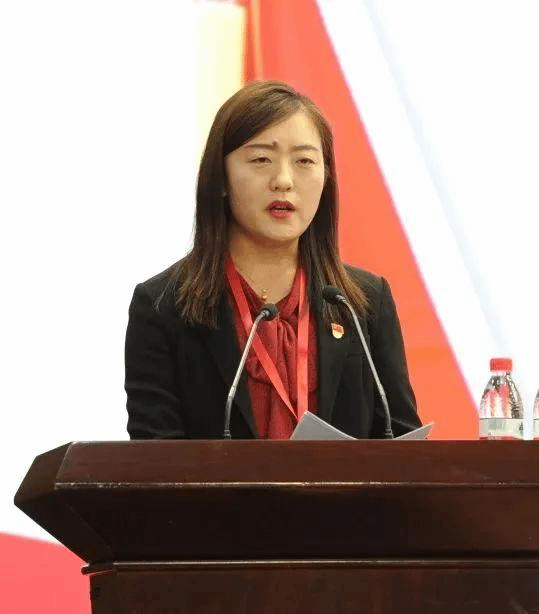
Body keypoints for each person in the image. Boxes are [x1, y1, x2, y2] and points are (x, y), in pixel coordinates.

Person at [125, 80, 421, 440]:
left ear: (326, 177)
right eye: (261, 160)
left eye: (304, 161)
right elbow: (153, 460)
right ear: (220, 178)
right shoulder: (162, 306)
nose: (283, 181)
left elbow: (401, 444)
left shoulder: (363, 302)